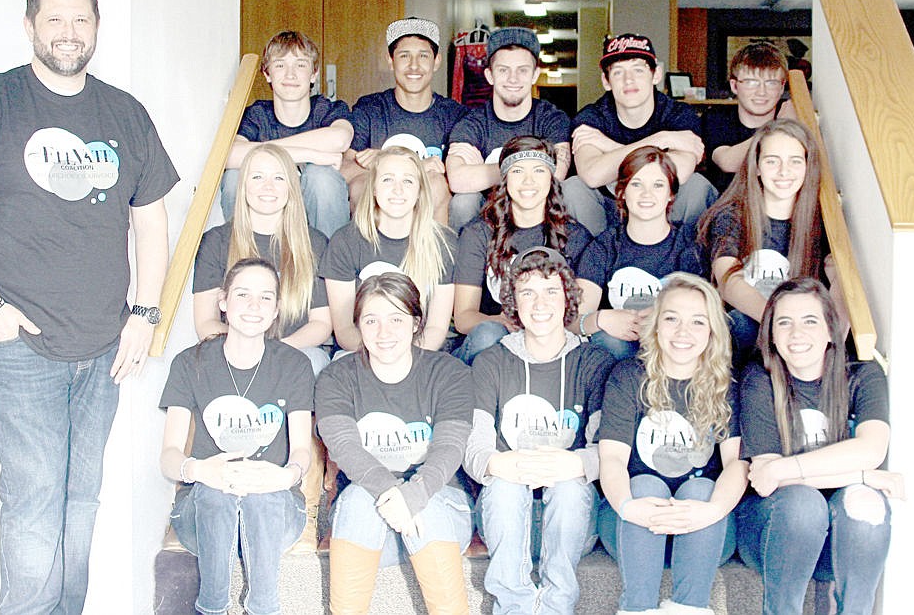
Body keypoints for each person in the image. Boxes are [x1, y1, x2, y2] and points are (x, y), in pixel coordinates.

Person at [0, 0, 179, 613]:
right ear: (31, 24)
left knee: (81, 499)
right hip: (20, 345)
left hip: (104, 345)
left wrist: (145, 314)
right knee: (35, 503)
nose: (70, 33)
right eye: (56, 19)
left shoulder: (124, 111)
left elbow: (151, 219)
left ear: (96, 27)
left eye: (81, 20)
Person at [192, 142, 332, 552]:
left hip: (296, 353)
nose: (267, 187)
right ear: (241, 187)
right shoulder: (217, 241)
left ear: (292, 188)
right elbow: (204, 322)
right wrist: (249, 352)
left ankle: (304, 502)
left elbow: (322, 324)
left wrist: (277, 357)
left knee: (311, 364)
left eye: (278, 177)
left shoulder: (315, 243)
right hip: (233, 355)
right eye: (256, 176)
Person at [736, 278, 901, 615]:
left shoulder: (862, 374)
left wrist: (787, 467)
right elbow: (767, 480)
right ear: (770, 334)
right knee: (804, 504)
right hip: (773, 532)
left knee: (866, 504)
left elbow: (871, 449)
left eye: (810, 321)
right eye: (784, 322)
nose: (797, 333)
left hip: (840, 542)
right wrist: (864, 475)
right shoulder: (760, 378)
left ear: (831, 329)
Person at [466, 247, 616, 614]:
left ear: (567, 297)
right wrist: (505, 466)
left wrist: (574, 463)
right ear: (513, 303)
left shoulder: (593, 362)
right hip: (505, 524)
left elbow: (607, 450)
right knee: (502, 485)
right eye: (527, 292)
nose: (540, 303)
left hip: (570, 525)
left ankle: (556, 606)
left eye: (551, 290)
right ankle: (512, 606)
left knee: (569, 485)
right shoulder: (491, 361)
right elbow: (475, 450)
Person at [160, 258, 314, 615]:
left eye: (265, 298)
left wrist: (284, 475)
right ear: (224, 301)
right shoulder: (190, 363)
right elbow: (168, 454)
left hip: (275, 515)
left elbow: (302, 450)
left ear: (277, 309)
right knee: (216, 491)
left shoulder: (294, 365)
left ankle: (264, 607)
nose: (254, 307)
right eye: (243, 295)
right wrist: (199, 470)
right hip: (203, 515)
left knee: (263, 493)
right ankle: (211, 607)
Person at [315, 273, 474, 614]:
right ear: (357, 324)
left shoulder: (449, 373)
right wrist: (393, 494)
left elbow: (449, 448)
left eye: (396, 319)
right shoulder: (336, 378)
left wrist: (412, 497)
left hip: (438, 517)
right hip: (365, 526)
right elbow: (344, 447)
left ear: (417, 322)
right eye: (371, 320)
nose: (383, 333)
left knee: (426, 505)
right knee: (358, 496)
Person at [598, 273, 747, 615]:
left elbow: (737, 465)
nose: (683, 332)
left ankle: (688, 608)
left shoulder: (726, 385)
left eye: (698, 321)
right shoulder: (628, 376)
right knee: (645, 484)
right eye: (672, 318)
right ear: (655, 326)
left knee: (701, 489)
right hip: (632, 527)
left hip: (703, 534)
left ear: (712, 332)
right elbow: (611, 460)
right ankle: (637, 609)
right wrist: (628, 506)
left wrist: (710, 511)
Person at [697, 118, 830, 366]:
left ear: (808, 167)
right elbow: (727, 280)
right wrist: (777, 319)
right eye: (772, 161)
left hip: (797, 338)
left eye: (795, 161)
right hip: (745, 333)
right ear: (756, 167)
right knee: (743, 324)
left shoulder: (821, 223)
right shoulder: (731, 214)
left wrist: (791, 328)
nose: (783, 171)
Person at [453, 136, 592, 365]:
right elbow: (463, 317)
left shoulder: (574, 236)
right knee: (488, 334)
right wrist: (502, 322)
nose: (528, 181)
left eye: (539, 171)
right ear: (505, 178)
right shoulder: (478, 233)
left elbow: (577, 315)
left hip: (552, 337)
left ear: (551, 177)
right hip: (498, 337)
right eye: (517, 171)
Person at [562, 33, 716, 237]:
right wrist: (660, 140)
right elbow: (591, 175)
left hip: (662, 207)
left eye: (638, 69)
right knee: (573, 188)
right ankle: (593, 263)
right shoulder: (592, 117)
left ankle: (687, 259)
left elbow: (680, 171)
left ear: (656, 74)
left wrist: (608, 147)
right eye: (618, 72)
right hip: (609, 210)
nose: (629, 80)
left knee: (697, 186)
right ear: (606, 81)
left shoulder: (678, 114)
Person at [321, 146, 456, 353]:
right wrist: (383, 354)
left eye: (408, 181)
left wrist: (404, 359)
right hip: (361, 352)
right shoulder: (345, 241)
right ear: (374, 188)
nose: (398, 189)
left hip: (419, 352)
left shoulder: (443, 243)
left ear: (420, 191)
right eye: (387, 180)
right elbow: (345, 330)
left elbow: (436, 328)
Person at [576, 146, 704, 360]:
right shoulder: (605, 247)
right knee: (607, 339)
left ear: (671, 195)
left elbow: (708, 314)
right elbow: (575, 320)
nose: (647, 194)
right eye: (636, 184)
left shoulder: (689, 246)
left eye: (658, 185)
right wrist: (601, 319)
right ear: (622, 193)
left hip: (676, 350)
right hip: (620, 353)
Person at [223, 30, 353, 236]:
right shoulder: (258, 114)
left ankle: (331, 264)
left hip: (316, 207)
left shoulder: (325, 109)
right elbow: (228, 156)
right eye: (280, 65)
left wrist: (267, 151)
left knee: (321, 177)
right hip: (269, 201)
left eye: (300, 65)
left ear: (314, 73)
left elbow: (340, 139)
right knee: (233, 178)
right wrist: (311, 155)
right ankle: (244, 257)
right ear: (267, 73)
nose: (290, 74)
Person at [343, 17, 468, 223]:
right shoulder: (370, 109)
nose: (414, 66)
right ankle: (369, 254)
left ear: (436, 61)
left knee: (436, 183)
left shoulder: (455, 115)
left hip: (430, 224)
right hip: (377, 224)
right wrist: (415, 164)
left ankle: (435, 256)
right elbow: (344, 170)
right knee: (360, 185)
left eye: (423, 56)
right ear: (390, 61)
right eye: (404, 56)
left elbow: (458, 176)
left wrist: (383, 161)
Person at [446, 27, 571, 232]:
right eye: (503, 70)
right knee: (464, 201)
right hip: (486, 219)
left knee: (572, 190)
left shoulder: (552, 119)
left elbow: (557, 173)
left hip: (539, 216)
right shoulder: (473, 122)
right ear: (489, 75)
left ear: (534, 75)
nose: (513, 79)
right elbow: (457, 180)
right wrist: (533, 169)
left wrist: (486, 172)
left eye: (522, 70)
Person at [701, 42, 795, 194]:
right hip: (724, 208)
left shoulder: (793, 114)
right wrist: (778, 126)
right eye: (752, 82)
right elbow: (727, 162)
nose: (761, 92)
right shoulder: (716, 117)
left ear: (782, 87)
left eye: (771, 83)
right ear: (734, 86)